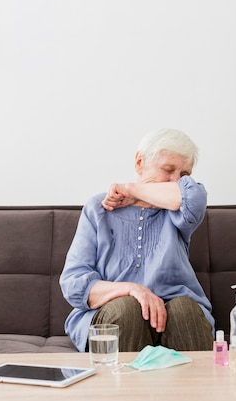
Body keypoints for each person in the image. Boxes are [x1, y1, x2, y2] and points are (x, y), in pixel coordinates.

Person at [59, 128, 214, 353]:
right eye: (168, 170)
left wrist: (132, 189)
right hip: (114, 313)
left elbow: (194, 197)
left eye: (184, 176)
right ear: (139, 163)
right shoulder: (98, 209)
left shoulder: (178, 211)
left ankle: (194, 388)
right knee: (126, 308)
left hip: (175, 316)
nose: (175, 181)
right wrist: (131, 289)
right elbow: (74, 283)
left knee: (184, 310)